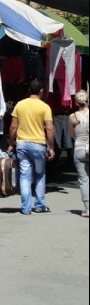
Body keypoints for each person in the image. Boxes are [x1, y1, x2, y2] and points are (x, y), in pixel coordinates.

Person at [8, 79, 55, 215]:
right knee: (40, 175)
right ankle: (40, 205)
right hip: (39, 144)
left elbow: (13, 126)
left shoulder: (20, 105)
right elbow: (50, 128)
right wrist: (51, 147)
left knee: (24, 176)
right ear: (41, 91)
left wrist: (11, 143)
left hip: (22, 144)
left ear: (29, 90)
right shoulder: (45, 107)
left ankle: (26, 208)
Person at [69, 89, 89, 218]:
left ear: (77, 102)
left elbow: (72, 135)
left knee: (83, 180)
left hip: (79, 150)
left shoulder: (72, 117)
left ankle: (87, 209)